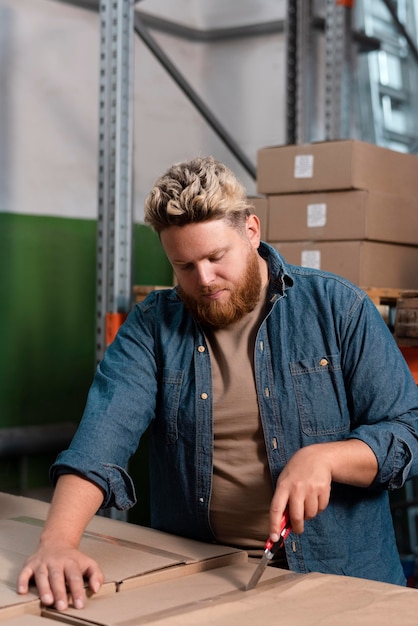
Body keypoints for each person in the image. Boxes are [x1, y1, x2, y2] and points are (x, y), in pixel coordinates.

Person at [17, 156, 418, 611]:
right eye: (184, 266)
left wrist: (328, 457)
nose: (203, 280)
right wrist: (57, 542)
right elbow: (100, 440)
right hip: (206, 576)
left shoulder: (337, 307)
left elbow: (408, 429)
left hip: (342, 577)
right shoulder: (153, 325)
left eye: (215, 257)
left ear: (251, 230)